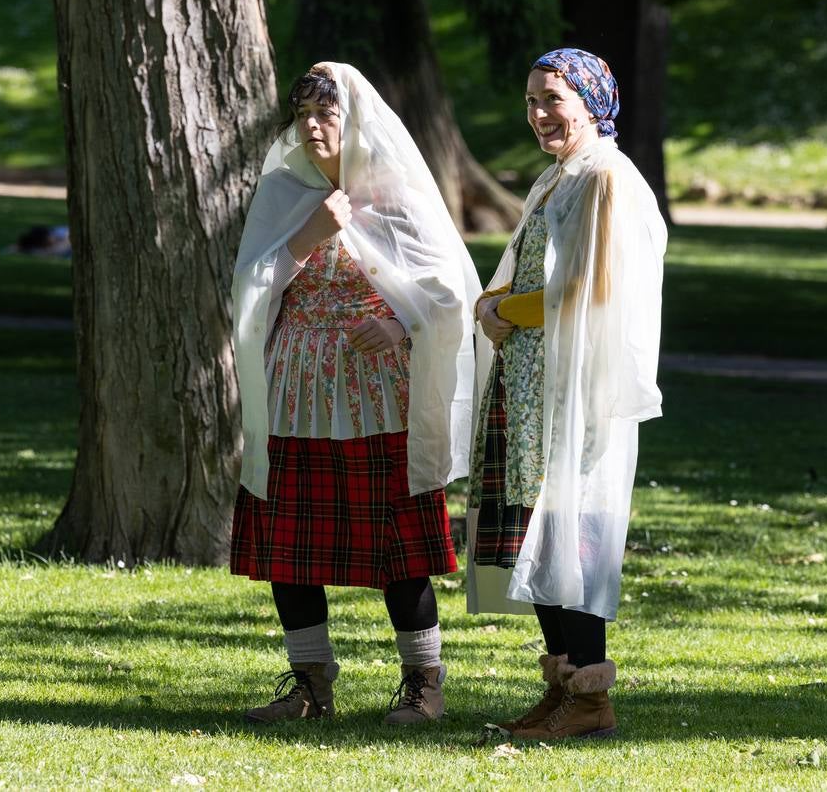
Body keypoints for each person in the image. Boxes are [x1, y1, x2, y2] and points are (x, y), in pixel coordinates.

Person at [230, 63, 481, 726]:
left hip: (377, 395)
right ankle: (310, 686)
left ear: (355, 119)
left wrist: (400, 322)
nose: (312, 126)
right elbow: (252, 285)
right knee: (291, 547)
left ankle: (424, 685)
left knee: (397, 546)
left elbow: (447, 286)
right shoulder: (284, 191)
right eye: (303, 113)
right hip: (295, 390)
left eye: (326, 113)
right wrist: (309, 234)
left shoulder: (394, 192)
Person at [467, 48, 667, 741]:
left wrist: (504, 313)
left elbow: (592, 289)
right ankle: (560, 688)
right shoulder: (560, 177)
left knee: (571, 536)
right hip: (530, 383)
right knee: (537, 534)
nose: (540, 114)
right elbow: (527, 267)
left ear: (589, 102)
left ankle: (590, 697)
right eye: (530, 101)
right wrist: (491, 304)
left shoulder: (607, 178)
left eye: (553, 99)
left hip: (571, 388)